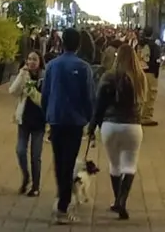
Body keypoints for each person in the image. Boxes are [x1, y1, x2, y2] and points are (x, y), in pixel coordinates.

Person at [41, 27, 95, 225]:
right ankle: (63, 204)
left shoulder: (52, 66)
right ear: (79, 44)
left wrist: (46, 115)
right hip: (74, 121)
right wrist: (91, 120)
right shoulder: (83, 67)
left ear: (62, 43)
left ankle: (61, 196)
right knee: (69, 160)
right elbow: (89, 97)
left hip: (56, 118)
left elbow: (45, 93)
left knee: (59, 159)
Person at [93, 44, 147, 220]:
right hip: (132, 125)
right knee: (130, 165)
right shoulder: (140, 77)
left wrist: (92, 125)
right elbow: (142, 102)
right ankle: (122, 200)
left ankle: (117, 200)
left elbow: (99, 103)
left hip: (110, 125)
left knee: (114, 164)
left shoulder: (109, 76)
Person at [7, 51, 46, 196]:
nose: (31, 62)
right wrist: (22, 75)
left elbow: (43, 100)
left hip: (39, 121)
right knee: (20, 150)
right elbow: (12, 91)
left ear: (40, 61)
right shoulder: (25, 75)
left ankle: (35, 186)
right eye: (29, 59)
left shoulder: (45, 77)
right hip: (24, 119)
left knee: (36, 155)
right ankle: (26, 177)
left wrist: (31, 89)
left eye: (34, 59)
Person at [137, 32, 159, 126]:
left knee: (141, 93)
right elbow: (151, 59)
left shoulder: (139, 44)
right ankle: (146, 116)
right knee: (151, 94)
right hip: (150, 71)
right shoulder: (152, 45)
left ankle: (139, 114)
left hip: (141, 70)